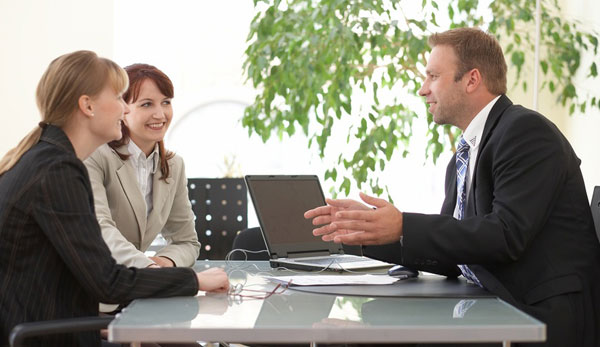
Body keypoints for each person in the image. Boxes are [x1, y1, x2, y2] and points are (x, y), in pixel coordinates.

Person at [305, 27, 600, 347]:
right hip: (488, 307)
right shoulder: (466, 152)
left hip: (538, 318)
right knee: (371, 323)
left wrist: (403, 225)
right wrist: (366, 233)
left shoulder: (525, 132)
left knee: (362, 335)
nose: (422, 89)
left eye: (432, 76)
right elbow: (454, 255)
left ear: (472, 80)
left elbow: (505, 235)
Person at [0, 51, 229, 347]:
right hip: (45, 335)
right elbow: (107, 281)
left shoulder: (47, 158)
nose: (124, 109)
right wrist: (194, 281)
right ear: (87, 105)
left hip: (54, 324)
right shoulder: (58, 170)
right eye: (120, 99)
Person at [84, 63, 198, 270]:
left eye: (166, 102)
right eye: (146, 104)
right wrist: (148, 268)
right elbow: (99, 230)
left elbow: (186, 241)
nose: (160, 114)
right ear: (123, 109)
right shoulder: (95, 156)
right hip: (94, 288)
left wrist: (165, 261)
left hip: (137, 287)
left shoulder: (173, 165)